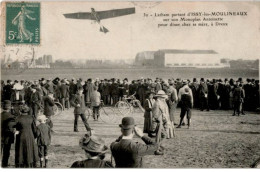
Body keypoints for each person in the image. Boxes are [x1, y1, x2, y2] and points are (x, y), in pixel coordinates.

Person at [1, 100, 16, 167]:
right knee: (6, 151)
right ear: (10, 107)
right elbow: (12, 128)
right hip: (7, 136)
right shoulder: (11, 116)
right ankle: (4, 164)